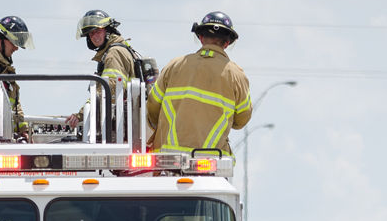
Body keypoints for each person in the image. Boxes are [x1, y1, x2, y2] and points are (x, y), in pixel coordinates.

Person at [146, 11, 251, 153]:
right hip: (210, 161)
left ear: (200, 38)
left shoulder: (174, 65)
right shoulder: (236, 75)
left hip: (167, 157)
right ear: (227, 43)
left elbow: (152, 106)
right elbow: (241, 120)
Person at [65, 10, 139, 130]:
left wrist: (81, 114)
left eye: (97, 31)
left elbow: (110, 89)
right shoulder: (113, 51)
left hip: (120, 125)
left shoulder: (114, 54)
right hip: (123, 121)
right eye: (91, 34)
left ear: (108, 31)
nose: (94, 36)